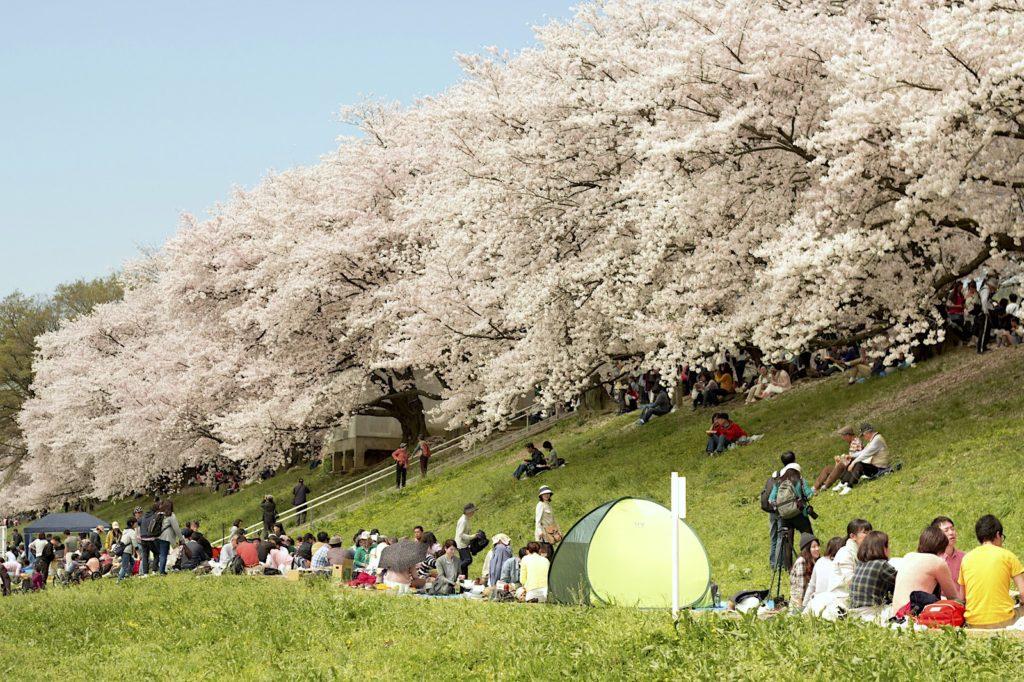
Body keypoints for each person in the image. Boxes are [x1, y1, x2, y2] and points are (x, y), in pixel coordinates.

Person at [958, 514, 1024, 628]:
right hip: (1005, 620)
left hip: (973, 622)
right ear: (998, 534)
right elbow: (1023, 593)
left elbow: (962, 597)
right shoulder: (1008, 555)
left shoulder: (966, 558)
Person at [892, 526, 961, 609]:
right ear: (942, 547)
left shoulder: (908, 556)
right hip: (913, 615)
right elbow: (953, 597)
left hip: (896, 613)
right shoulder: (937, 562)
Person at [768, 458, 814, 570]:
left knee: (788, 542)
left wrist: (782, 508)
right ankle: (809, 561)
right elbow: (809, 495)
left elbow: (771, 499)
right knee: (808, 537)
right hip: (799, 514)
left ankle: (789, 567)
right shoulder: (800, 480)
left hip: (784, 517)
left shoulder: (778, 482)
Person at [849, 531, 897, 620]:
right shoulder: (881, 565)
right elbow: (902, 581)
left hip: (853, 612)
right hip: (871, 612)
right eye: (888, 546)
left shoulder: (860, 564)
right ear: (882, 548)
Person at [835, 423, 892, 495]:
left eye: (863, 435)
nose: (864, 437)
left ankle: (849, 486)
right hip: (875, 466)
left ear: (867, 433)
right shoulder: (874, 439)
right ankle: (844, 482)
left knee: (858, 463)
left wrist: (853, 463)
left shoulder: (877, 440)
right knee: (854, 461)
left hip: (880, 468)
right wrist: (851, 456)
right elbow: (863, 452)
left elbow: (866, 454)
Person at [813, 426, 862, 493]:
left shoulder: (855, 442)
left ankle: (825, 486)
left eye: (843, 436)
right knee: (827, 469)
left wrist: (841, 460)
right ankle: (815, 487)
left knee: (840, 465)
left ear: (848, 435)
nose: (843, 438)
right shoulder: (853, 442)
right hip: (848, 466)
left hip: (851, 468)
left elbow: (852, 458)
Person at [801, 536, 845, 612]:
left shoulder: (820, 561)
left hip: (817, 603)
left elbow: (811, 586)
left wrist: (804, 605)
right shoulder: (841, 564)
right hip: (833, 604)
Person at [835, 518, 873, 584]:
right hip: (841, 593)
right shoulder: (845, 552)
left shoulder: (865, 553)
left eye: (870, 533)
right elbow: (849, 580)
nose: (869, 536)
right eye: (865, 533)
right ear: (853, 536)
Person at [931, 516, 966, 583]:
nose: (951, 533)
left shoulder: (964, 557)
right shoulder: (934, 560)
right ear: (937, 535)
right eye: (946, 530)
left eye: (952, 529)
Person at [789, 534, 819, 611]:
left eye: (817, 546)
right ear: (807, 549)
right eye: (814, 547)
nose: (817, 548)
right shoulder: (801, 561)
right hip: (798, 603)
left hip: (809, 600)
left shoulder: (815, 561)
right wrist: (801, 608)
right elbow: (800, 587)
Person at [157, 500, 182, 575]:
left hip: (158, 536)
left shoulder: (159, 514)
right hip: (166, 537)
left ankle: (161, 569)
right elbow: (176, 528)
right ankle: (162, 571)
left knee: (162, 554)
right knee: (164, 554)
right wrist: (181, 538)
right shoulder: (171, 515)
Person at [138, 504, 163, 575]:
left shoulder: (143, 517)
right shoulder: (155, 516)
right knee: (156, 553)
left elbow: (139, 523)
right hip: (151, 538)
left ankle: (145, 573)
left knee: (145, 555)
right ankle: (154, 571)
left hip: (143, 539)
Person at [455, 503, 478, 575]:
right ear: (469, 512)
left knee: (465, 567)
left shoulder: (466, 519)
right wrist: (472, 536)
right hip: (461, 544)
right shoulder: (463, 520)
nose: (473, 513)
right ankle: (456, 568)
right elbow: (460, 534)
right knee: (468, 560)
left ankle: (464, 582)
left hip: (464, 543)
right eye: (473, 511)